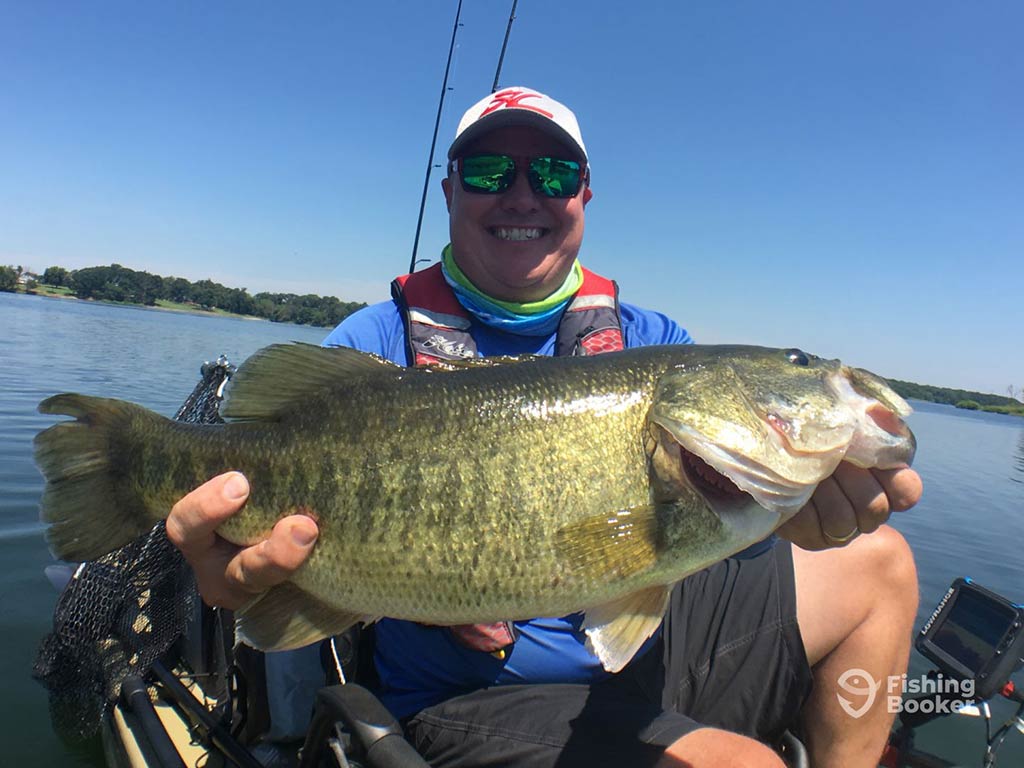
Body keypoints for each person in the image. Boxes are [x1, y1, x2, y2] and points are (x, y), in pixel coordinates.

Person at [167, 87, 923, 768]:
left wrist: (786, 515)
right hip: (475, 700)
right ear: (450, 190)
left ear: (585, 196)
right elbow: (256, 571)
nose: (523, 194)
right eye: (492, 172)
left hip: (645, 651)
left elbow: (673, 538)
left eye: (554, 175)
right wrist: (225, 576)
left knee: (879, 562)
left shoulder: (655, 341)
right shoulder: (373, 346)